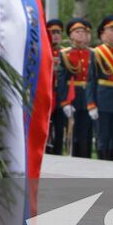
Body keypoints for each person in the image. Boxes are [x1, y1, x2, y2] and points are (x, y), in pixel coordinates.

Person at [86, 15, 113, 160]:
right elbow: (91, 80)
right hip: (102, 100)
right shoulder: (97, 53)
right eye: (112, 29)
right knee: (102, 139)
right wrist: (91, 104)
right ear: (103, 33)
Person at [59, 18, 94, 158]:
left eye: (84, 32)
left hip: (88, 96)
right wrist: (64, 102)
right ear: (71, 35)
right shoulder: (65, 54)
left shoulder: (93, 53)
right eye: (77, 32)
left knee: (87, 134)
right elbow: (62, 80)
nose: (81, 35)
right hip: (72, 97)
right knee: (73, 134)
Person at [45, 19, 66, 154]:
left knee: (59, 129)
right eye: (53, 32)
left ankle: (58, 152)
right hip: (46, 95)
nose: (56, 35)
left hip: (61, 97)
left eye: (58, 32)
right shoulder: (44, 50)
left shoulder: (65, 53)